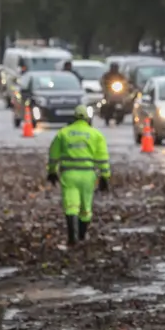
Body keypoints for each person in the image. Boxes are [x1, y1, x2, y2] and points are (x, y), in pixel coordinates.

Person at [47, 104, 111, 246]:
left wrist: (52, 171)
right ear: (88, 119)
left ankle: (72, 238)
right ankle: (82, 236)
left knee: (71, 205)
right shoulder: (96, 135)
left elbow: (53, 155)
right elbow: (102, 158)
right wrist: (105, 176)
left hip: (69, 175)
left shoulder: (63, 133)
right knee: (86, 208)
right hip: (88, 176)